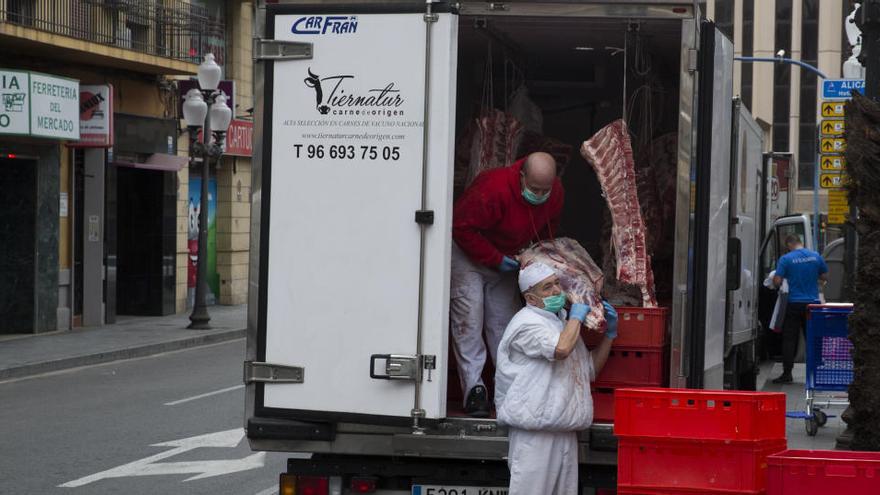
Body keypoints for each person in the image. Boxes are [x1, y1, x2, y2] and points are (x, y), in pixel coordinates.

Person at [450, 152, 564, 417]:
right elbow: (460, 227)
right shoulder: (493, 187)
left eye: (545, 189)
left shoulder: (555, 192)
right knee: (469, 321)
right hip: (469, 256)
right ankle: (474, 390)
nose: (540, 194)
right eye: (534, 188)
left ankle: (510, 388)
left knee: (504, 327)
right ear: (521, 175)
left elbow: (548, 231)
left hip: (507, 257)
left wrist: (534, 257)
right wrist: (494, 259)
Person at [495, 262, 616, 494]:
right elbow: (560, 350)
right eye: (547, 287)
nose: (556, 291)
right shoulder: (526, 323)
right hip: (535, 436)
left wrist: (609, 335)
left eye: (557, 284)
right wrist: (577, 319)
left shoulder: (560, 320)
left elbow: (588, 371)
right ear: (531, 298)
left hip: (564, 431)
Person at [772, 234, 828, 384]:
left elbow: (777, 281)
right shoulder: (815, 256)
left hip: (794, 303)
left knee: (790, 339)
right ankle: (816, 373)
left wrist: (779, 280)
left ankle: (787, 374)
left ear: (789, 244)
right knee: (812, 337)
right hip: (813, 304)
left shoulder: (786, 259)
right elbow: (824, 276)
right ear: (800, 242)